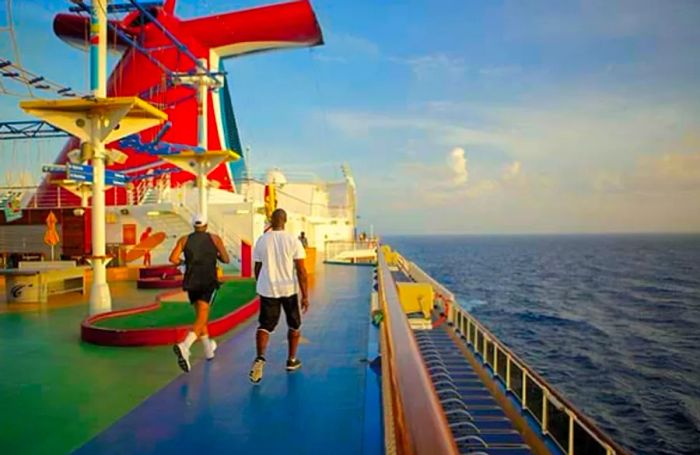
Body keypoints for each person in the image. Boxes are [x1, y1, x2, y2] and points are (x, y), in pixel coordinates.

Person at [249, 208, 309, 384]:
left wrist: (260, 283)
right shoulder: (293, 241)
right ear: (286, 220)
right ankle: (291, 360)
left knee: (265, 325)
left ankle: (260, 358)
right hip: (288, 289)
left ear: (271, 221)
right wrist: (305, 296)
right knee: (294, 325)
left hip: (268, 290)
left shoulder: (261, 240)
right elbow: (301, 270)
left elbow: (258, 268)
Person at [169, 214, 230, 372]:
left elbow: (173, 258)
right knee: (203, 316)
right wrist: (213, 255)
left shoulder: (184, 240)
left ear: (193, 226)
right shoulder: (215, 239)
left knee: (200, 317)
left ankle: (209, 351)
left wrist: (185, 262)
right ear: (206, 225)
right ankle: (185, 345)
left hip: (190, 282)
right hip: (207, 281)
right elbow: (226, 259)